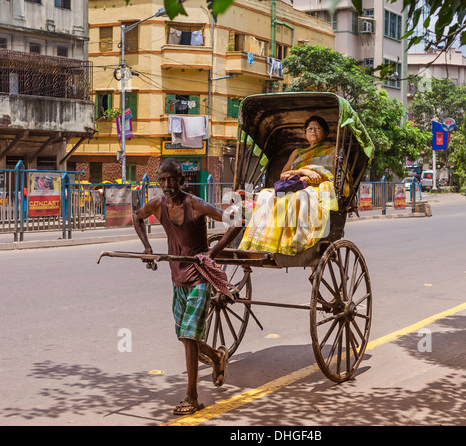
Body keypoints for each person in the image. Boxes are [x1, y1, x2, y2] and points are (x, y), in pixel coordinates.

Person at [133, 158, 242, 416]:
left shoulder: (195, 204)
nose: (167, 184)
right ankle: (216, 357)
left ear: (182, 181)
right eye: (162, 180)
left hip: (199, 277)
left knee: (190, 336)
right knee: (184, 335)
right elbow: (137, 217)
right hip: (177, 277)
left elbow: (235, 222)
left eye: (172, 179)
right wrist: (147, 248)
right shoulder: (157, 205)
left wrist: (212, 252)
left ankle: (192, 396)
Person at [238, 116, 338, 255]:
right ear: (305, 133)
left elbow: (333, 176)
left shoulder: (333, 151)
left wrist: (313, 176)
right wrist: (303, 170)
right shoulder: (298, 153)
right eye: (309, 129)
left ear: (325, 133)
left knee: (301, 197)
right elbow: (284, 175)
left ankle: (292, 242)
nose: (313, 131)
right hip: (295, 185)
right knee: (266, 195)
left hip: (316, 188)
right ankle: (262, 241)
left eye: (317, 128)